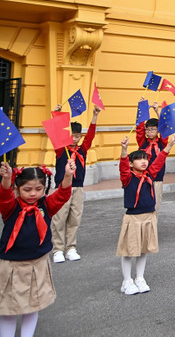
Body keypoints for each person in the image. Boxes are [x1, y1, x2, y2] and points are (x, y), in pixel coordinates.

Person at [0, 161, 73, 337]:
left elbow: (62, 195)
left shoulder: (46, 205)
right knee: (8, 310)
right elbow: (4, 196)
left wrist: (68, 175)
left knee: (33, 307)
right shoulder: (11, 207)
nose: (33, 193)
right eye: (27, 189)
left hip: (38, 264)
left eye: (38, 189)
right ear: (17, 188)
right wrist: (6, 179)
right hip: (12, 266)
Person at [116, 135, 175, 296]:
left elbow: (160, 160)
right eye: (139, 159)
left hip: (149, 216)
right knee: (129, 251)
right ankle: (127, 280)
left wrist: (169, 145)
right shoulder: (127, 177)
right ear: (130, 163)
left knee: (143, 250)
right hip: (133, 217)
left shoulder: (150, 174)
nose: (144, 162)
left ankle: (140, 278)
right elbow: (122, 167)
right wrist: (124, 150)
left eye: (145, 159)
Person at [50, 104, 100, 263]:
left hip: (78, 188)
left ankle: (70, 247)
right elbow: (56, 132)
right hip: (62, 188)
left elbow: (91, 136)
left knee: (74, 218)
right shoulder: (60, 149)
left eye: (78, 136)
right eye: (72, 135)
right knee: (59, 218)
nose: (74, 138)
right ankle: (57, 249)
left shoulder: (82, 150)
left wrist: (95, 116)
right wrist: (56, 114)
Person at [136, 100, 170, 212]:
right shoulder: (142, 142)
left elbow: (164, 128)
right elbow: (139, 128)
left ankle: (152, 228)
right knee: (143, 204)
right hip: (143, 178)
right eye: (147, 129)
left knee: (155, 206)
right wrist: (142, 107)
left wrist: (157, 111)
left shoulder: (162, 143)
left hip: (157, 179)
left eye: (152, 129)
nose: (149, 132)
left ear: (157, 130)